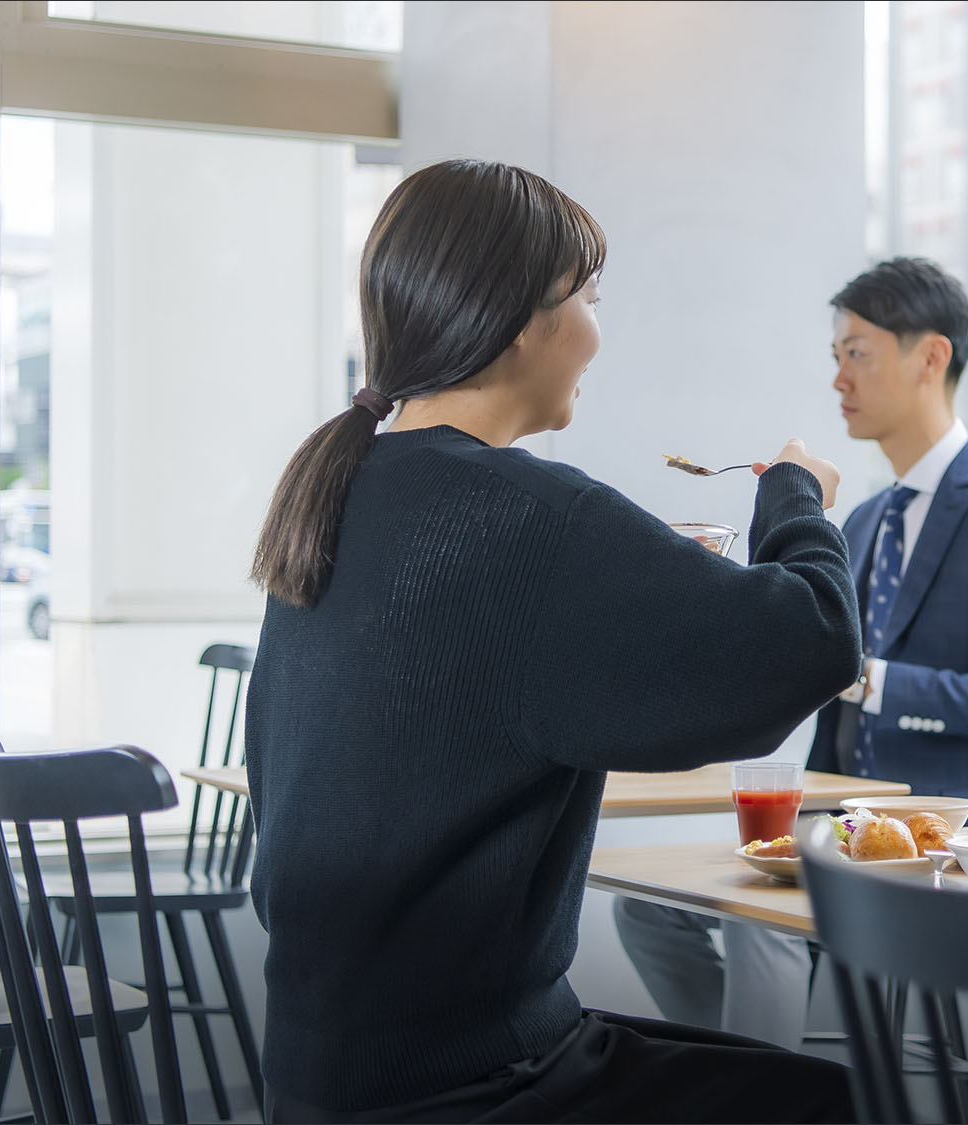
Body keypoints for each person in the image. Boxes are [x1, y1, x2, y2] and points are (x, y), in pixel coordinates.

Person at [243, 159, 861, 1124]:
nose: (595, 334)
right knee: (851, 1103)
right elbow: (812, 641)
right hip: (471, 1085)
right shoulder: (534, 516)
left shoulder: (337, 491)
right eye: (590, 299)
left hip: (321, 1079)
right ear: (524, 322)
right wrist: (797, 500)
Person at [615, 255, 968, 1050]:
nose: (838, 378)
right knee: (647, 907)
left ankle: (768, 1095)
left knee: (764, 922)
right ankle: (753, 1085)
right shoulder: (858, 524)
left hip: (953, 835)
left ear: (931, 356)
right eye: (835, 356)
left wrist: (868, 679)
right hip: (845, 825)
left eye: (856, 352)